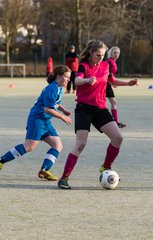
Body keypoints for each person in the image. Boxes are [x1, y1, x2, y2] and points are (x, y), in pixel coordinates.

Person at [57, 40, 139, 190]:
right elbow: (77, 80)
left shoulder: (106, 65)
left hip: (100, 109)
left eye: (102, 55)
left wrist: (128, 83)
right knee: (80, 144)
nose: (100, 58)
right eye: (98, 55)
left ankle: (106, 166)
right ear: (91, 53)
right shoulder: (84, 66)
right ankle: (64, 178)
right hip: (84, 109)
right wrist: (88, 80)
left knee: (118, 138)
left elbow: (112, 80)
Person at [0, 65, 72, 181]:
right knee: (29, 147)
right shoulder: (52, 88)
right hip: (37, 119)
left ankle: (44, 170)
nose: (68, 80)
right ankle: (0, 161)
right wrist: (62, 117)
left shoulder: (59, 88)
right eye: (66, 77)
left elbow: (54, 103)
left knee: (58, 145)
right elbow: (47, 109)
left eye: (69, 78)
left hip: (45, 121)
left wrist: (63, 110)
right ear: (59, 76)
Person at [106, 46, 126, 128]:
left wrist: (112, 82)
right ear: (111, 53)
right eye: (115, 52)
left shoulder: (113, 61)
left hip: (108, 83)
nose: (116, 54)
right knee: (112, 102)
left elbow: (110, 74)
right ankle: (114, 122)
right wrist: (112, 82)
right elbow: (106, 74)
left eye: (118, 53)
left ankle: (114, 122)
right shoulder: (109, 61)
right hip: (105, 84)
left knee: (113, 102)